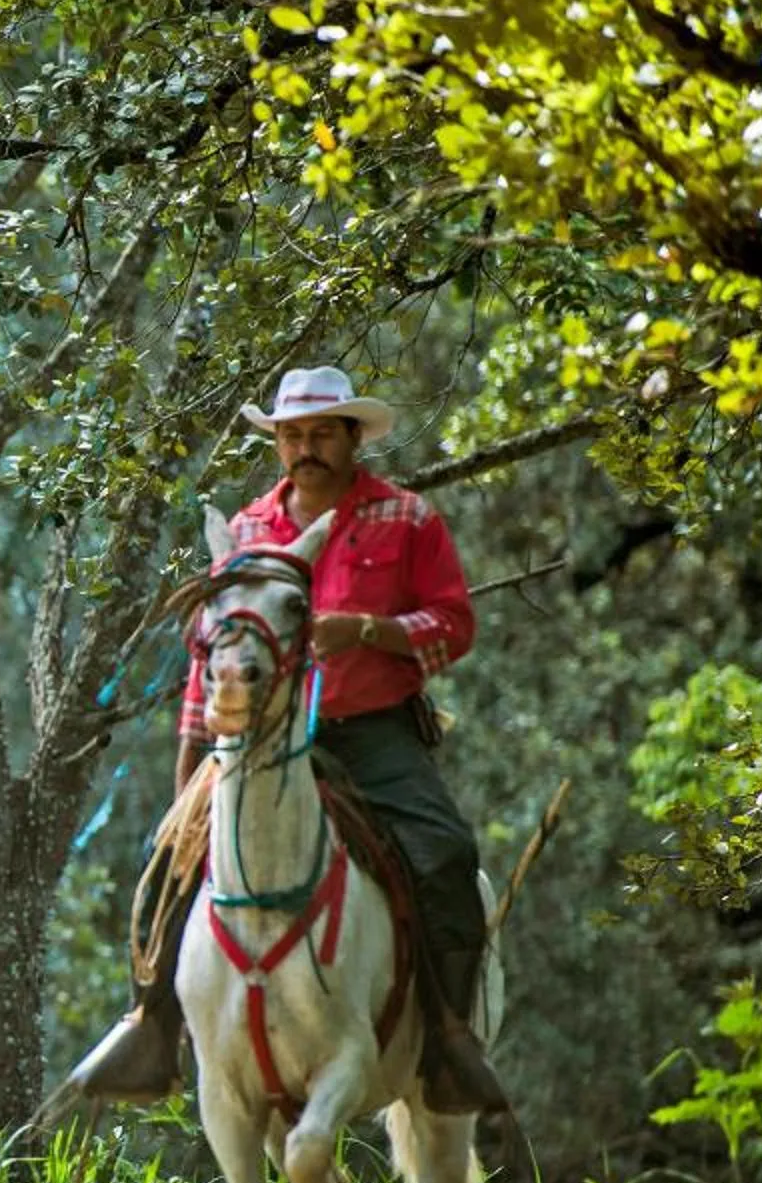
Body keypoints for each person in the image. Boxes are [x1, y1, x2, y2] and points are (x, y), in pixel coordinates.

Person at [54, 365, 512, 1116]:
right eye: (292, 435)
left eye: (321, 434)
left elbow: (453, 625)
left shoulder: (408, 519)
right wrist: (191, 765)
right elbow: (219, 650)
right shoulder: (248, 529)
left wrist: (369, 631)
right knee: (160, 860)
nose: (306, 448)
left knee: (447, 854)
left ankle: (449, 1039)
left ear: (351, 438)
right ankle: (152, 1025)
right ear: (277, 443)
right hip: (258, 737)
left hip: (370, 733)